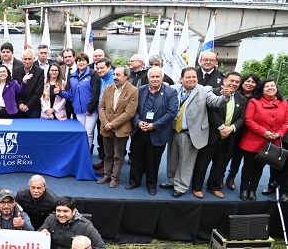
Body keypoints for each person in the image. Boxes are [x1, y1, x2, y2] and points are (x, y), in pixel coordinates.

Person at [161, 67, 233, 198]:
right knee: (172, 159)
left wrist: (225, 97)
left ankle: (181, 187)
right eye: (188, 77)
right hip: (173, 131)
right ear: (181, 79)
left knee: (186, 162)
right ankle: (171, 181)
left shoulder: (205, 90)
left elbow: (216, 102)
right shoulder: (174, 89)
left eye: (194, 77)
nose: (191, 79)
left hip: (190, 133)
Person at [191, 72, 246, 198]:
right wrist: (221, 127)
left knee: (220, 164)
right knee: (202, 163)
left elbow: (242, 118)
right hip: (211, 134)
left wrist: (231, 129)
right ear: (224, 81)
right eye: (231, 80)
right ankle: (197, 187)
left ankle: (213, 187)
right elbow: (209, 111)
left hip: (228, 137)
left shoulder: (241, 99)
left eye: (237, 82)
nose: (234, 84)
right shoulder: (213, 92)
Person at [126, 67, 178, 195]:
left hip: (158, 132)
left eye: (157, 77)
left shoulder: (171, 92)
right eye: (152, 77)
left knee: (153, 161)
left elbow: (171, 112)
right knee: (137, 158)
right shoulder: (140, 90)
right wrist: (138, 122)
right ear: (148, 78)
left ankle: (151, 184)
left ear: (162, 77)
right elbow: (132, 109)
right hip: (140, 130)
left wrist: (154, 125)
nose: (154, 79)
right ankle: (134, 181)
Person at [238, 79, 288, 201]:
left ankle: (252, 190)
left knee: (259, 168)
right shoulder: (254, 102)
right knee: (248, 166)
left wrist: (278, 134)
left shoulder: (284, 103)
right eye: (267, 86)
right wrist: (264, 132)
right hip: (252, 139)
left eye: (273, 86)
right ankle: (244, 189)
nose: (270, 88)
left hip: (270, 142)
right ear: (262, 89)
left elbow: (286, 122)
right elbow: (249, 120)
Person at [96, 66, 138, 188]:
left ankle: (115, 178)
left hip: (121, 129)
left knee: (118, 156)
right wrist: (105, 123)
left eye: (118, 75)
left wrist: (112, 124)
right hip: (106, 127)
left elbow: (129, 113)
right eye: (114, 74)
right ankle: (107, 175)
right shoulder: (108, 88)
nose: (115, 77)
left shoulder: (133, 91)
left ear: (126, 77)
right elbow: (101, 107)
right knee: (107, 154)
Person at [60, 53, 102, 151]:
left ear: (87, 62)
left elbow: (95, 94)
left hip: (91, 111)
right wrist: (60, 93)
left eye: (83, 60)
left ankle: (86, 154)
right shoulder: (73, 77)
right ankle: (80, 153)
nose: (81, 62)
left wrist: (90, 109)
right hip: (78, 111)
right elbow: (70, 94)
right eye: (79, 60)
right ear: (76, 62)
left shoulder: (93, 74)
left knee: (88, 133)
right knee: (80, 133)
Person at [228, 73, 260, 191]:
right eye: (247, 81)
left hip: (248, 133)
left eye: (253, 82)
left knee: (238, 156)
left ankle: (231, 176)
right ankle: (220, 176)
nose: (249, 84)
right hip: (233, 129)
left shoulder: (257, 98)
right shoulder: (235, 94)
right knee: (227, 154)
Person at [14, 49, 45, 119]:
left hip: (34, 108)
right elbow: (15, 89)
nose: (27, 61)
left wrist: (28, 105)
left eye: (29, 59)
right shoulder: (16, 71)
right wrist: (20, 103)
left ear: (34, 59)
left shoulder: (40, 72)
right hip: (19, 108)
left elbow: (38, 91)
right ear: (22, 59)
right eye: (25, 59)